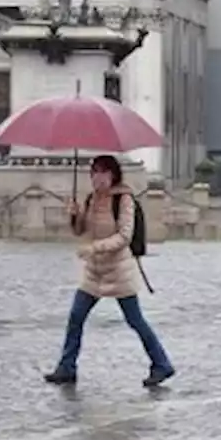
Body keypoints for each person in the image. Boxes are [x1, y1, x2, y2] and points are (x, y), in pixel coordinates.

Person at [44, 154, 175, 388]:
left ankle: (161, 364)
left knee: (135, 320)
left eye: (104, 172)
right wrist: (74, 215)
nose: (98, 178)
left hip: (118, 270)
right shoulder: (91, 199)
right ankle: (66, 367)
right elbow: (81, 230)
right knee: (76, 317)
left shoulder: (123, 199)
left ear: (113, 175)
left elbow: (124, 236)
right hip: (94, 272)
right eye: (94, 172)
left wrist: (95, 248)